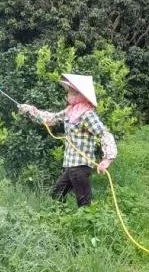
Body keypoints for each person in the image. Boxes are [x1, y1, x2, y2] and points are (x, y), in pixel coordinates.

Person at [18, 74, 117, 207]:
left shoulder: (87, 114)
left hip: (81, 166)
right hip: (71, 165)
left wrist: (107, 159)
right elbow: (50, 119)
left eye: (70, 91)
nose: (68, 94)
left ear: (79, 94)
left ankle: (86, 225)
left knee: (84, 204)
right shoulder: (71, 111)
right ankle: (61, 220)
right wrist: (30, 110)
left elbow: (104, 133)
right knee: (56, 194)